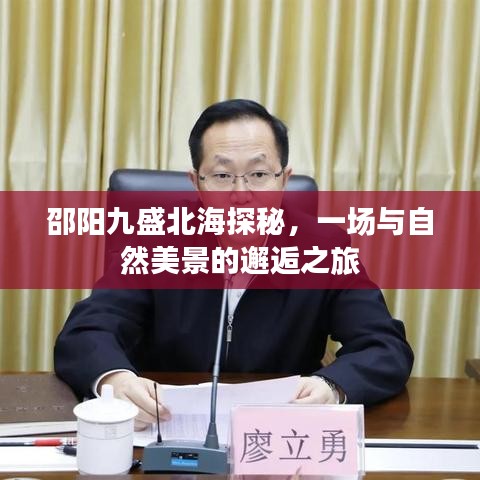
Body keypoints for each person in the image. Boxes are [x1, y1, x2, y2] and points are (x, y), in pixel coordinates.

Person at [54, 99, 414, 430]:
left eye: (259, 174)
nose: (241, 194)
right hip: (164, 428)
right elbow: (87, 331)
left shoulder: (323, 248)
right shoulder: (156, 241)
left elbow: (384, 346)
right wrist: (116, 380)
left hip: (281, 435)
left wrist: (331, 386)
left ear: (284, 180)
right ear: (196, 183)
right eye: (222, 175)